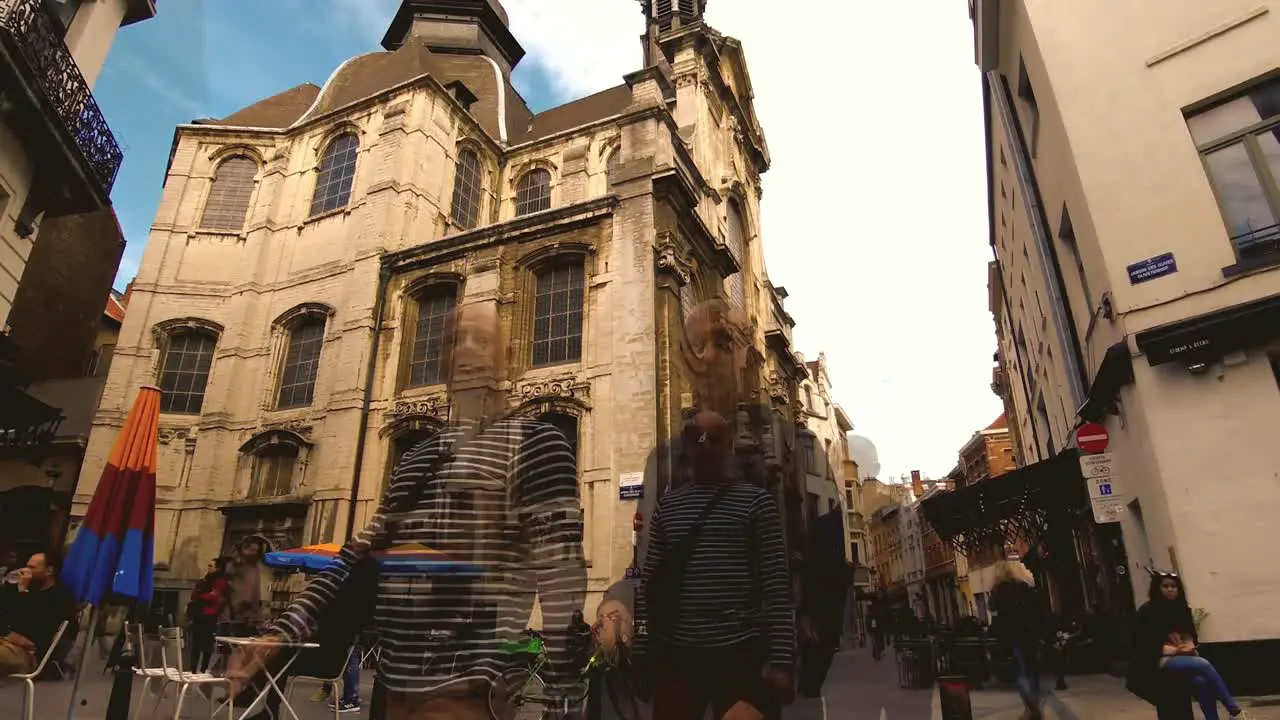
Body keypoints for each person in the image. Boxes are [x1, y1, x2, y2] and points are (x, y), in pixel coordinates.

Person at [227, 301, 587, 720]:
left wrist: (564, 697)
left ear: (506, 358)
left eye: (482, 340)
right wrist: (281, 632)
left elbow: (561, 571)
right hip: (394, 686)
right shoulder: (417, 458)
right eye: (454, 341)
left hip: (472, 685)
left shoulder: (538, 443)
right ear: (443, 360)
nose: (467, 350)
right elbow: (355, 556)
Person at [635, 410, 795, 720]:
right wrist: (643, 651)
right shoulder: (667, 507)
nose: (705, 446)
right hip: (677, 654)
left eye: (714, 439)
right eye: (698, 440)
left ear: (728, 445)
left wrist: (781, 660)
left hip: (739, 654)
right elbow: (649, 587)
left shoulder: (758, 504)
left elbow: (776, 586)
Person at [1127, 570, 1252, 720]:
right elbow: (1144, 645)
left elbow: (1189, 634)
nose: (1170, 589)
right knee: (1202, 664)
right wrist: (1174, 650)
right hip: (1154, 661)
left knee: (1202, 682)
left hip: (1179, 656)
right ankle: (1235, 711)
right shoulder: (1148, 611)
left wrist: (1188, 645)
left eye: (1174, 586)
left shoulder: (1181, 608)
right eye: (1165, 586)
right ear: (1157, 588)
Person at [797, 504, 852, 698]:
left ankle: (809, 684)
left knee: (817, 643)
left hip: (820, 593)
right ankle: (811, 685)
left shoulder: (821, 524)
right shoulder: (834, 526)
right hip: (828, 594)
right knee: (824, 642)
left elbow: (809, 566)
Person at [0, 551, 77, 676]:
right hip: (9, 643)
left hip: (29, 654)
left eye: (32, 567)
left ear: (49, 570)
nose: (25, 571)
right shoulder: (31, 590)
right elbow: (6, 615)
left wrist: (23, 591)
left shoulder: (58, 597)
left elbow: (35, 628)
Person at [989, 559, 1046, 720]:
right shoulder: (1024, 587)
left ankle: (1031, 707)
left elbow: (992, 608)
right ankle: (1032, 705)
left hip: (1013, 635)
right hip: (1030, 634)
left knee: (1021, 672)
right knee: (1032, 671)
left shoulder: (999, 590)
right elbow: (1037, 610)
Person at [187, 556, 232, 672]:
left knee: (206, 644)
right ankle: (193, 668)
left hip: (210, 616)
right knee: (196, 644)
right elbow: (194, 595)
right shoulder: (205, 581)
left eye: (211, 566)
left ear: (218, 568)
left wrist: (200, 596)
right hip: (199, 614)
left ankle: (203, 668)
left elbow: (213, 597)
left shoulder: (221, 582)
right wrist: (200, 595)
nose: (208, 568)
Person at [228, 536, 274, 636]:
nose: (254, 553)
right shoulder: (236, 565)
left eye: (256, 551)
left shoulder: (256, 568)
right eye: (252, 550)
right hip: (238, 611)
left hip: (252, 611)